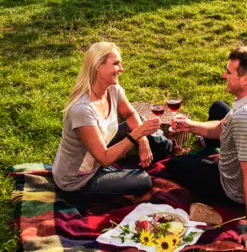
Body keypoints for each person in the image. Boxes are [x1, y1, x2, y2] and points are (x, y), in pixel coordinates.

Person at [166, 46, 247, 252]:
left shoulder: (245, 118)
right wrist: (190, 125)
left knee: (174, 166)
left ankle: (209, 156)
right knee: (219, 107)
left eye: (229, 72)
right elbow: (221, 126)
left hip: (235, 188)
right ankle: (209, 147)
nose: (223, 75)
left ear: (245, 79)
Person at [53, 42, 171, 205]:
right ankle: (130, 169)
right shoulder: (82, 110)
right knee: (144, 181)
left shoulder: (112, 90)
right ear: (98, 67)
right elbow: (104, 158)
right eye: (116, 64)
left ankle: (164, 147)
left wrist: (143, 141)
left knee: (142, 125)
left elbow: (130, 114)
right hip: (77, 182)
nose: (121, 69)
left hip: (97, 158)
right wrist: (137, 135)